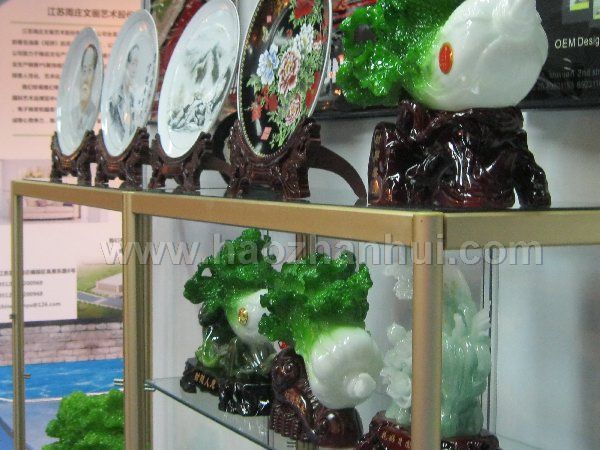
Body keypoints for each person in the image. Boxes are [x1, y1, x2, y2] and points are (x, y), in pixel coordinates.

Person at [109, 44, 140, 144]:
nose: (135, 69)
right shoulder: (115, 99)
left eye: (137, 64)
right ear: (126, 64)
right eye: (133, 63)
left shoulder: (133, 98)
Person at [72, 44, 98, 132]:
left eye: (90, 70)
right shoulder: (72, 114)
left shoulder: (94, 112)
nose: (86, 78)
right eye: (84, 70)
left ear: (95, 75)